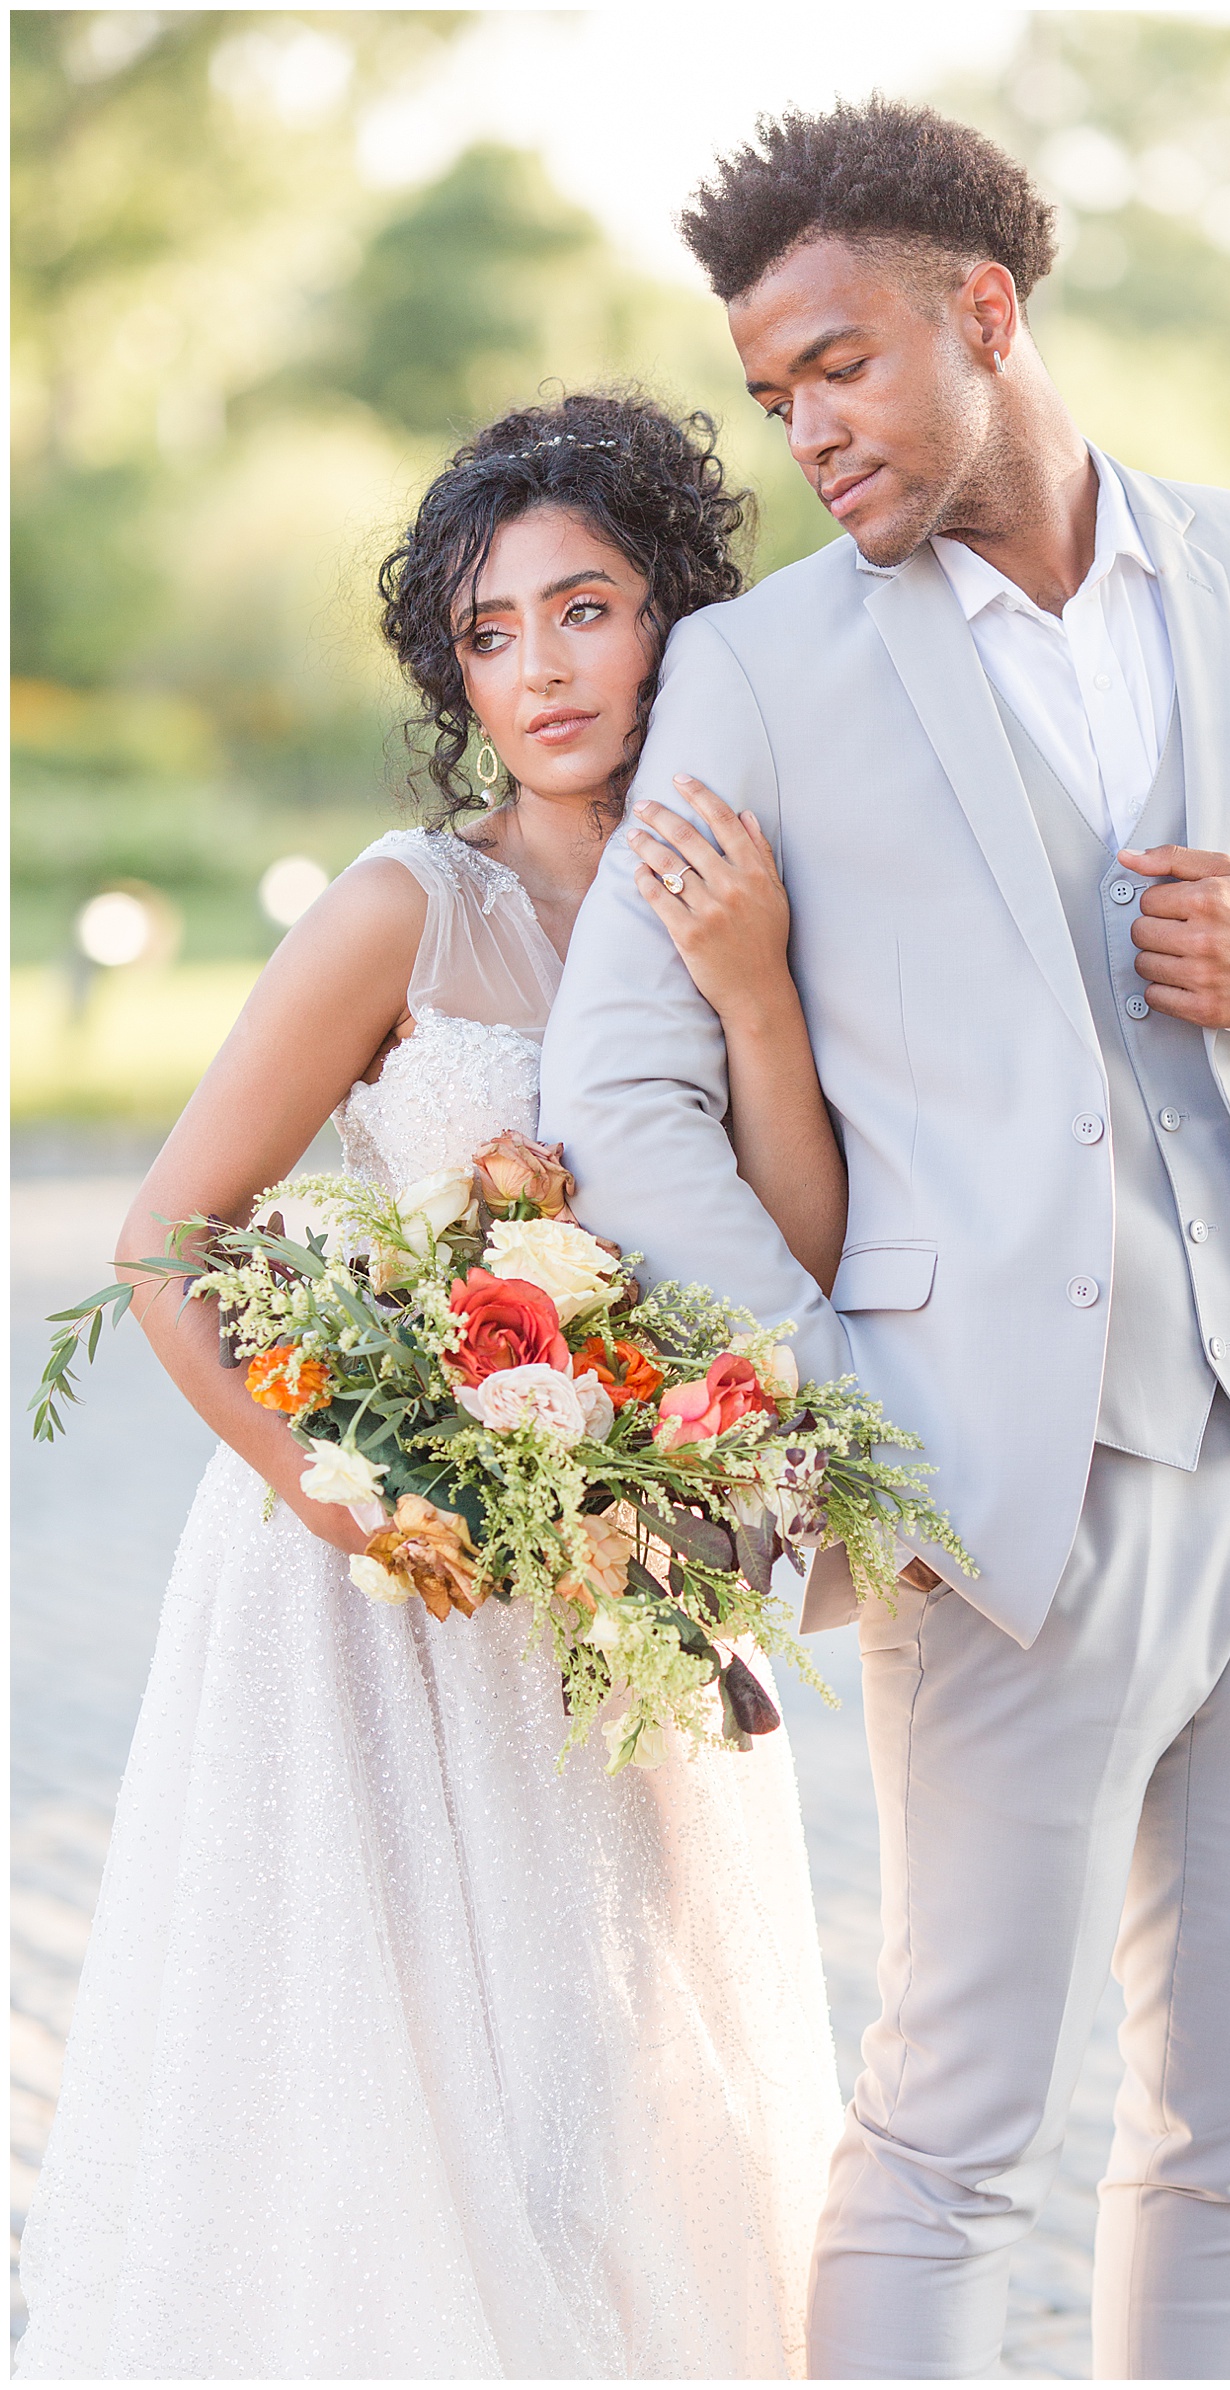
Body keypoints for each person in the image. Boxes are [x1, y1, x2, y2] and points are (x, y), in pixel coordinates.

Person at [537, 101, 1230, 2383]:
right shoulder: (764, 670)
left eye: (834, 368)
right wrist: (844, 1402)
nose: (803, 434)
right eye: (772, 397)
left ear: (984, 313)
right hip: (996, 1501)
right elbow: (616, 1086)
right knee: (952, 2133)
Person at [15, 391, 846, 2382]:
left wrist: (748, 988)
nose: (543, 668)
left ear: (676, 621)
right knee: (388, 2105)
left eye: (588, 608)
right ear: (448, 666)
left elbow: (800, 1257)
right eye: (492, 630)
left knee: (615, 2094)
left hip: (625, 1578)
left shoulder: (737, 889)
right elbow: (165, 1236)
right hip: (376, 1590)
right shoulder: (403, 903)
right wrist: (327, 1477)